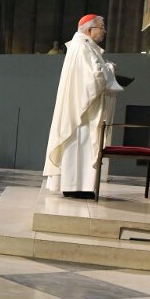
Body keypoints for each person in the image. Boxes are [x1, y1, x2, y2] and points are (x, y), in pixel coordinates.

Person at [44, 14, 123, 199]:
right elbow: (94, 79)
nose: (105, 31)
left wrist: (106, 67)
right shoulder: (82, 47)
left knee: (81, 147)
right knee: (80, 145)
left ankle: (78, 186)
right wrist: (110, 69)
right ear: (89, 30)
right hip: (83, 112)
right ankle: (76, 186)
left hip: (84, 108)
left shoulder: (84, 46)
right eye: (102, 27)